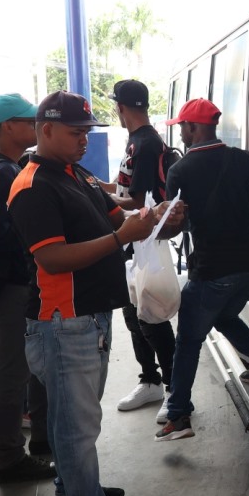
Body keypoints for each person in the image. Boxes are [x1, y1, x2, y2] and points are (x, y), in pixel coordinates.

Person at [7, 90, 183, 496]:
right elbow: (52, 256)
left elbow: (119, 218)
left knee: (76, 420)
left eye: (88, 132)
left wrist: (158, 218)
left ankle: (74, 493)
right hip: (61, 322)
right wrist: (121, 236)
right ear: (45, 130)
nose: (85, 140)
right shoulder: (32, 186)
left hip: (88, 318)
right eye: (75, 132)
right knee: (76, 427)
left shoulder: (76, 175)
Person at [156, 97, 249, 441]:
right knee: (222, 316)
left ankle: (179, 415)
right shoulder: (241, 158)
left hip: (213, 272)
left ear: (194, 127)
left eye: (182, 126)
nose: (180, 133)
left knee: (187, 341)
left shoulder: (179, 171)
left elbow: (175, 226)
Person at [0, 94, 53, 484]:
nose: (36, 127)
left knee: (27, 368)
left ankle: (39, 439)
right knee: (12, 374)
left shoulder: (8, 167)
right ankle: (9, 458)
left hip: (14, 287)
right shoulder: (1, 175)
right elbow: (0, 239)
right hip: (10, 290)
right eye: (29, 121)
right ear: (8, 126)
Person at [99, 79, 177, 424]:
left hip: (143, 239)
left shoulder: (145, 144)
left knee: (152, 314)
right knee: (134, 313)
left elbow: (137, 199)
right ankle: (150, 380)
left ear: (121, 108)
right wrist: (93, 185)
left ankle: (175, 389)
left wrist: (100, 200)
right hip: (132, 239)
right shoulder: (137, 141)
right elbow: (123, 187)